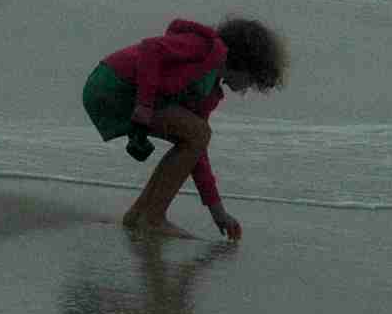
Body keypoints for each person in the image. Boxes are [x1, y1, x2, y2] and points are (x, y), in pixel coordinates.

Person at [82, 17, 288, 239]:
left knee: (197, 136)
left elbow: (197, 151)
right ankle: (152, 218)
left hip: (127, 94)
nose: (249, 88)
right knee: (198, 133)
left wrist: (217, 211)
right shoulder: (205, 47)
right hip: (112, 85)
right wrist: (144, 104)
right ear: (245, 64)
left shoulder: (209, 92)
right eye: (253, 80)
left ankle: (138, 216)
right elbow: (150, 49)